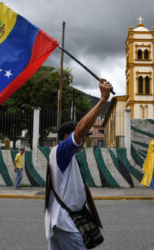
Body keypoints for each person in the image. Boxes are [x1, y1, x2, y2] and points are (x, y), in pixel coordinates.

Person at [45, 79, 112, 250]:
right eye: (81, 138)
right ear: (68, 137)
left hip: (63, 219)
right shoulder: (61, 151)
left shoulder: (67, 156)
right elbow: (80, 130)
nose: (84, 141)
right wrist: (103, 100)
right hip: (65, 221)